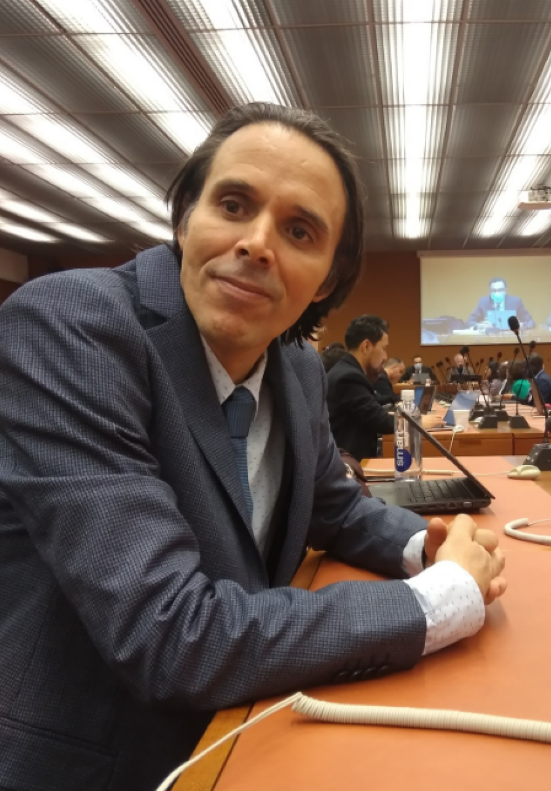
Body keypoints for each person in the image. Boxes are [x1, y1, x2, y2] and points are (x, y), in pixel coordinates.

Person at [0, 103, 507, 791]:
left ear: (326, 280)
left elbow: (334, 507)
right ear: (185, 218)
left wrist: (429, 546)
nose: (257, 243)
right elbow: (168, 634)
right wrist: (438, 601)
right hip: (103, 761)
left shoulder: (296, 367)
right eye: (233, 205)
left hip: (248, 730)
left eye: (299, 230)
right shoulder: (73, 326)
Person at [326, 315, 397, 459]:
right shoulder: (348, 377)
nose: (385, 357)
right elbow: (381, 421)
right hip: (348, 465)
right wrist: (417, 422)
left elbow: (373, 409)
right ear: (366, 346)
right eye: (384, 348)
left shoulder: (347, 370)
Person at [467, 277, 534, 330]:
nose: (497, 293)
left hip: (511, 337)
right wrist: (480, 326)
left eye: (500, 290)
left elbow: (530, 322)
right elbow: (469, 321)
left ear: (505, 291)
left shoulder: (516, 302)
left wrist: (522, 325)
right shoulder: (483, 302)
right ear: (490, 292)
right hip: (490, 338)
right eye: (494, 290)